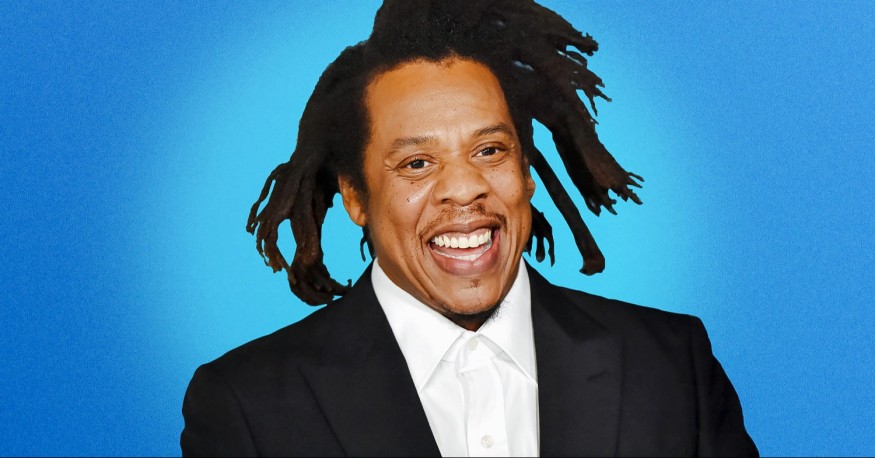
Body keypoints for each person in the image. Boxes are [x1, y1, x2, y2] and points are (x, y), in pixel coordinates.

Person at [181, 1, 758, 456]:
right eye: (417, 163)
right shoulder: (244, 405)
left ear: (526, 173)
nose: (464, 188)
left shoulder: (671, 365)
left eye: (489, 150)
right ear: (355, 196)